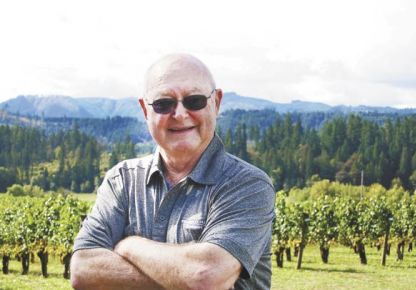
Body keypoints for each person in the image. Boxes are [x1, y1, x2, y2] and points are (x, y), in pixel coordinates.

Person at [70, 54, 276, 290]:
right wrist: (180, 275)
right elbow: (82, 270)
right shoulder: (121, 180)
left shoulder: (248, 184)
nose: (179, 114)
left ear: (216, 103)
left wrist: (129, 246)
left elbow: (205, 276)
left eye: (194, 100)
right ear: (145, 110)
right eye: (163, 103)